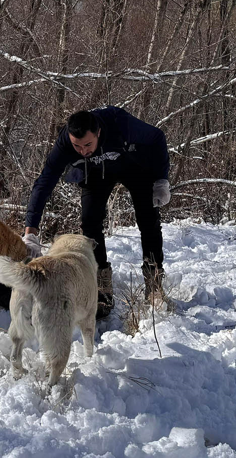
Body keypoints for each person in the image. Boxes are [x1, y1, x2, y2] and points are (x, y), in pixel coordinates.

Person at [23, 106, 171, 316]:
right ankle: (101, 283)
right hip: (95, 173)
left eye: (87, 144)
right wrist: (31, 233)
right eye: (77, 146)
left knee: (148, 219)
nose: (82, 150)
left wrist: (161, 179)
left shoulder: (121, 124)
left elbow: (158, 137)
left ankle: (153, 280)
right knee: (90, 221)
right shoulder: (66, 142)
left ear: (99, 132)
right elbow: (44, 182)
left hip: (134, 165)